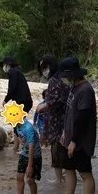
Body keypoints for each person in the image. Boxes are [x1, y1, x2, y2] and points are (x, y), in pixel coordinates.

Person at [58, 57, 97, 194]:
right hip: (69, 137)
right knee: (68, 169)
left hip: (81, 141)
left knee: (85, 174)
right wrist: (64, 133)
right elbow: (69, 113)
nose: (65, 79)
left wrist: (74, 140)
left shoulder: (85, 90)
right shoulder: (74, 87)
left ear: (72, 74)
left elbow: (83, 118)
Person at [36, 55, 69, 186]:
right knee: (63, 150)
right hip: (64, 120)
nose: (44, 70)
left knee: (57, 151)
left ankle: (58, 179)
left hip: (57, 122)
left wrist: (44, 105)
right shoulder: (63, 78)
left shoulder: (55, 80)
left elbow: (57, 99)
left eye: (45, 67)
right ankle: (65, 175)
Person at [9, 117, 42, 194]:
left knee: (30, 179)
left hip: (34, 156)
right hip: (24, 154)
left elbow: (31, 148)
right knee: (19, 177)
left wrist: (30, 166)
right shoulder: (17, 126)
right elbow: (22, 142)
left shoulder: (28, 128)